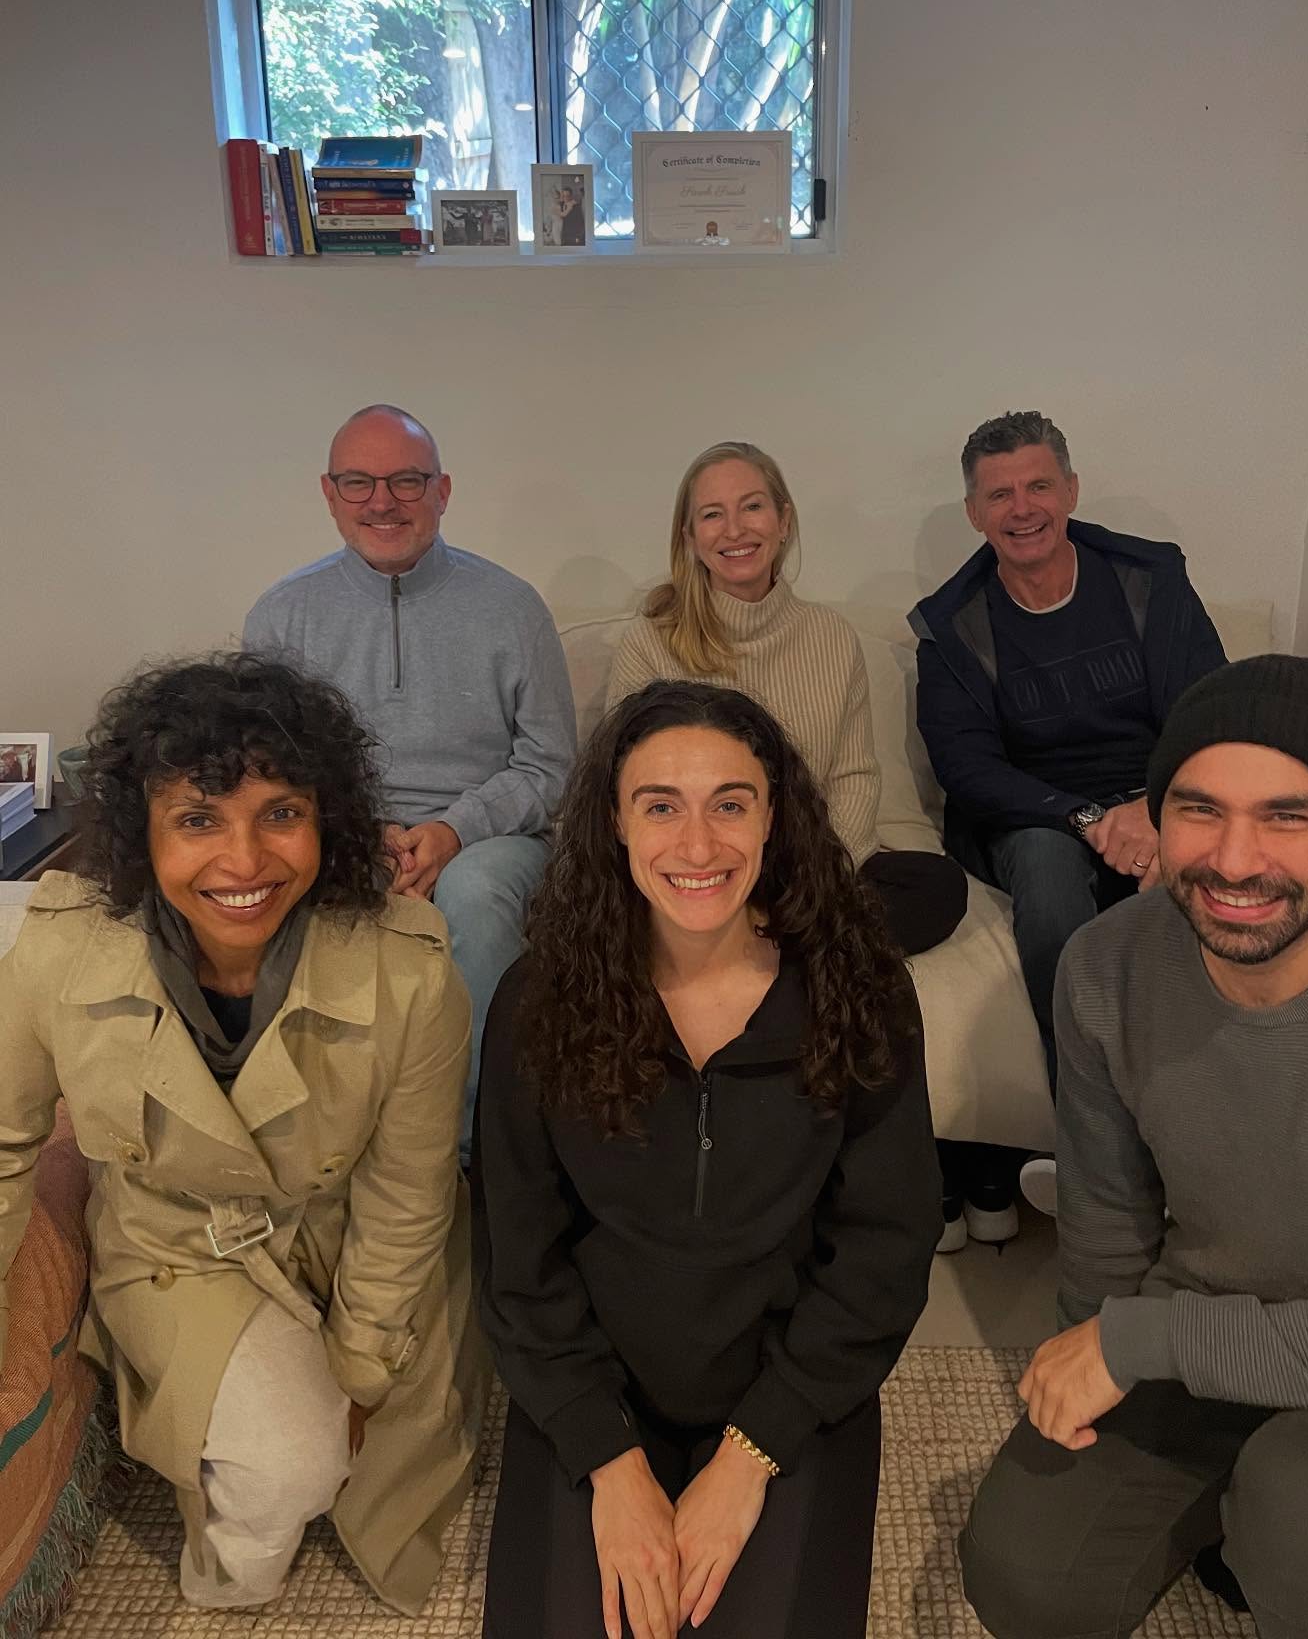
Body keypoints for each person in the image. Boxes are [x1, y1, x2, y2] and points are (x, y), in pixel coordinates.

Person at [960, 654, 1308, 1639]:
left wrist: (1150, 1342)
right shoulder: (1108, 964)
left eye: (1288, 815)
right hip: (1210, 1328)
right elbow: (1106, 1226)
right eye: (1198, 808)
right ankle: (1235, 1513)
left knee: (1303, 1519)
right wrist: (1097, 1348)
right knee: (1024, 1574)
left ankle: (1286, 1516)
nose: (1232, 858)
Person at [0, 653, 487, 1613]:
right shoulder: (57, 953)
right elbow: (4, 1143)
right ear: (143, 832)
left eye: (281, 813)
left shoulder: (412, 972)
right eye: (196, 820)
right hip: (179, 1244)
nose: (245, 861)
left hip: (351, 1235)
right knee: (282, 1486)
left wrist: (359, 1364)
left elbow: (408, 1191)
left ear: (327, 821)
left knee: (387, 1468)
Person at [473, 680, 940, 1639]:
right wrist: (608, 1460)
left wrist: (748, 1458)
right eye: (661, 806)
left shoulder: (859, 992)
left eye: (730, 803)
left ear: (776, 818)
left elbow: (886, 1250)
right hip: (599, 1383)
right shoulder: (539, 1001)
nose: (698, 847)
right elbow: (518, 1258)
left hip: (790, 1386)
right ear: (612, 823)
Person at [910, 409, 1224, 1218]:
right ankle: (1089, 1142)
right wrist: (1087, 817)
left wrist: (1155, 810)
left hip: (1159, 796)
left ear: (1071, 490)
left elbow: (1208, 709)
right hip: (1032, 816)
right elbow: (966, 767)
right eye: (1000, 494)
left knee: (1198, 881)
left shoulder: (1151, 579)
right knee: (1050, 887)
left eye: (1039, 485)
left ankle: (1204, 1134)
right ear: (976, 514)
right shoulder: (950, 624)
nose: (1023, 509)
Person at [244, 404, 576, 1161]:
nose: (382, 501)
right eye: (359, 482)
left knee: (476, 895)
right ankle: (295, 1147)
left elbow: (552, 765)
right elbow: (267, 775)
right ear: (329, 495)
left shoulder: (512, 608)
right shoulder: (281, 616)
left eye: (406, 480)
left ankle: (465, 1155)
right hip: (334, 835)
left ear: (443, 490)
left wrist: (452, 831)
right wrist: (358, 840)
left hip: (487, 841)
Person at [607, 441, 968, 960]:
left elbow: (854, 777)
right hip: (697, 865)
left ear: (783, 520)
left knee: (936, 884)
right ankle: (784, 951)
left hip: (805, 870)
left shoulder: (831, 637)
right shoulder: (651, 642)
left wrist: (818, 879)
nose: (735, 530)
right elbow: (624, 789)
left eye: (752, 506)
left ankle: (761, 949)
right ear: (689, 537)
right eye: (713, 514)